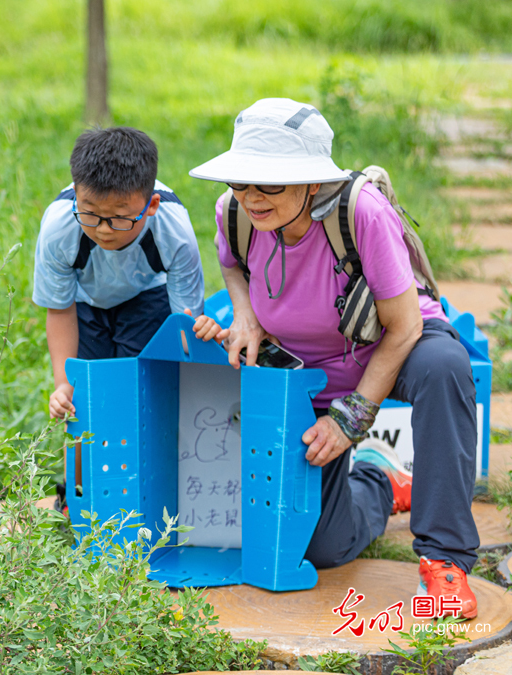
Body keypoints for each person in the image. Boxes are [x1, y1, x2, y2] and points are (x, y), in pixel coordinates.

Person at [189, 98, 479, 618]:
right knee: (319, 548)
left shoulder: (361, 213)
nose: (251, 197)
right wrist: (246, 314)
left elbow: (406, 325)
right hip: (305, 373)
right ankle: (379, 482)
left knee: (445, 367)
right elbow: (232, 265)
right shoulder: (234, 212)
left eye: (269, 184)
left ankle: (445, 559)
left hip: (394, 347)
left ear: (311, 182)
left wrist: (352, 417)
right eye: (240, 181)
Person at [32, 127, 205, 511]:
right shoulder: (61, 227)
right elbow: (59, 309)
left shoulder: (174, 231)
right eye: (91, 215)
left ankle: (145, 491)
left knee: (136, 389)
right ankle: (81, 496)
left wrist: (184, 380)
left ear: (152, 205)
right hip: (84, 302)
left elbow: (186, 320)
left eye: (120, 219)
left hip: (148, 297)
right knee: (86, 397)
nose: (103, 229)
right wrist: (63, 383)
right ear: (76, 195)